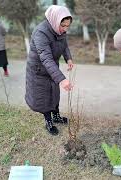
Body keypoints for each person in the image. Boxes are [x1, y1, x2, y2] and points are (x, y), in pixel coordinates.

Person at [25, 5, 74, 135]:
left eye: (67, 26)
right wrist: (62, 79)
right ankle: (49, 122)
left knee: (55, 94)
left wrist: (68, 58)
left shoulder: (60, 31)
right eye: (63, 25)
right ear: (54, 20)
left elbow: (64, 45)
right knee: (44, 98)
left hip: (52, 68)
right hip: (39, 70)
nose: (65, 29)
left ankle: (56, 117)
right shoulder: (41, 33)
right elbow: (45, 58)